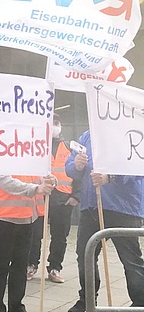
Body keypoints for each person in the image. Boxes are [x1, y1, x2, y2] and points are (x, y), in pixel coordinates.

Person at [65, 130, 144, 312]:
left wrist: (111, 178)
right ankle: (86, 300)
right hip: (91, 206)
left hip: (124, 207)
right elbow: (69, 166)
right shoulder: (87, 135)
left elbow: (139, 167)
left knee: (131, 259)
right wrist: (76, 166)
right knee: (85, 255)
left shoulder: (130, 130)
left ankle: (140, 302)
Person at [0, 174, 54, 312]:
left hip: (27, 218)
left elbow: (40, 176)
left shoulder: (30, 156)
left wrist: (50, 181)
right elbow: (1, 179)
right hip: (2, 217)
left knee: (20, 267)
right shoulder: (0, 154)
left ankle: (16, 307)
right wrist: (36, 189)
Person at [26, 114, 80, 283]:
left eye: (57, 123)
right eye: (51, 123)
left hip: (64, 200)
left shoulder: (70, 148)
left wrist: (75, 197)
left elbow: (78, 172)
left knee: (60, 236)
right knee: (35, 234)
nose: (55, 126)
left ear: (61, 126)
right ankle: (31, 265)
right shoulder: (37, 147)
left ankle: (55, 267)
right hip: (41, 197)